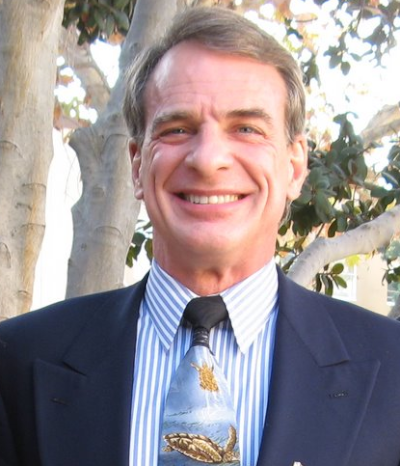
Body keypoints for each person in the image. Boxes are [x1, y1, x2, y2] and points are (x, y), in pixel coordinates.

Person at [1, 6, 400, 466]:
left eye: (246, 128)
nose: (208, 160)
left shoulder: (392, 370)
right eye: (178, 129)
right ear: (137, 164)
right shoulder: (17, 363)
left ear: (294, 167)